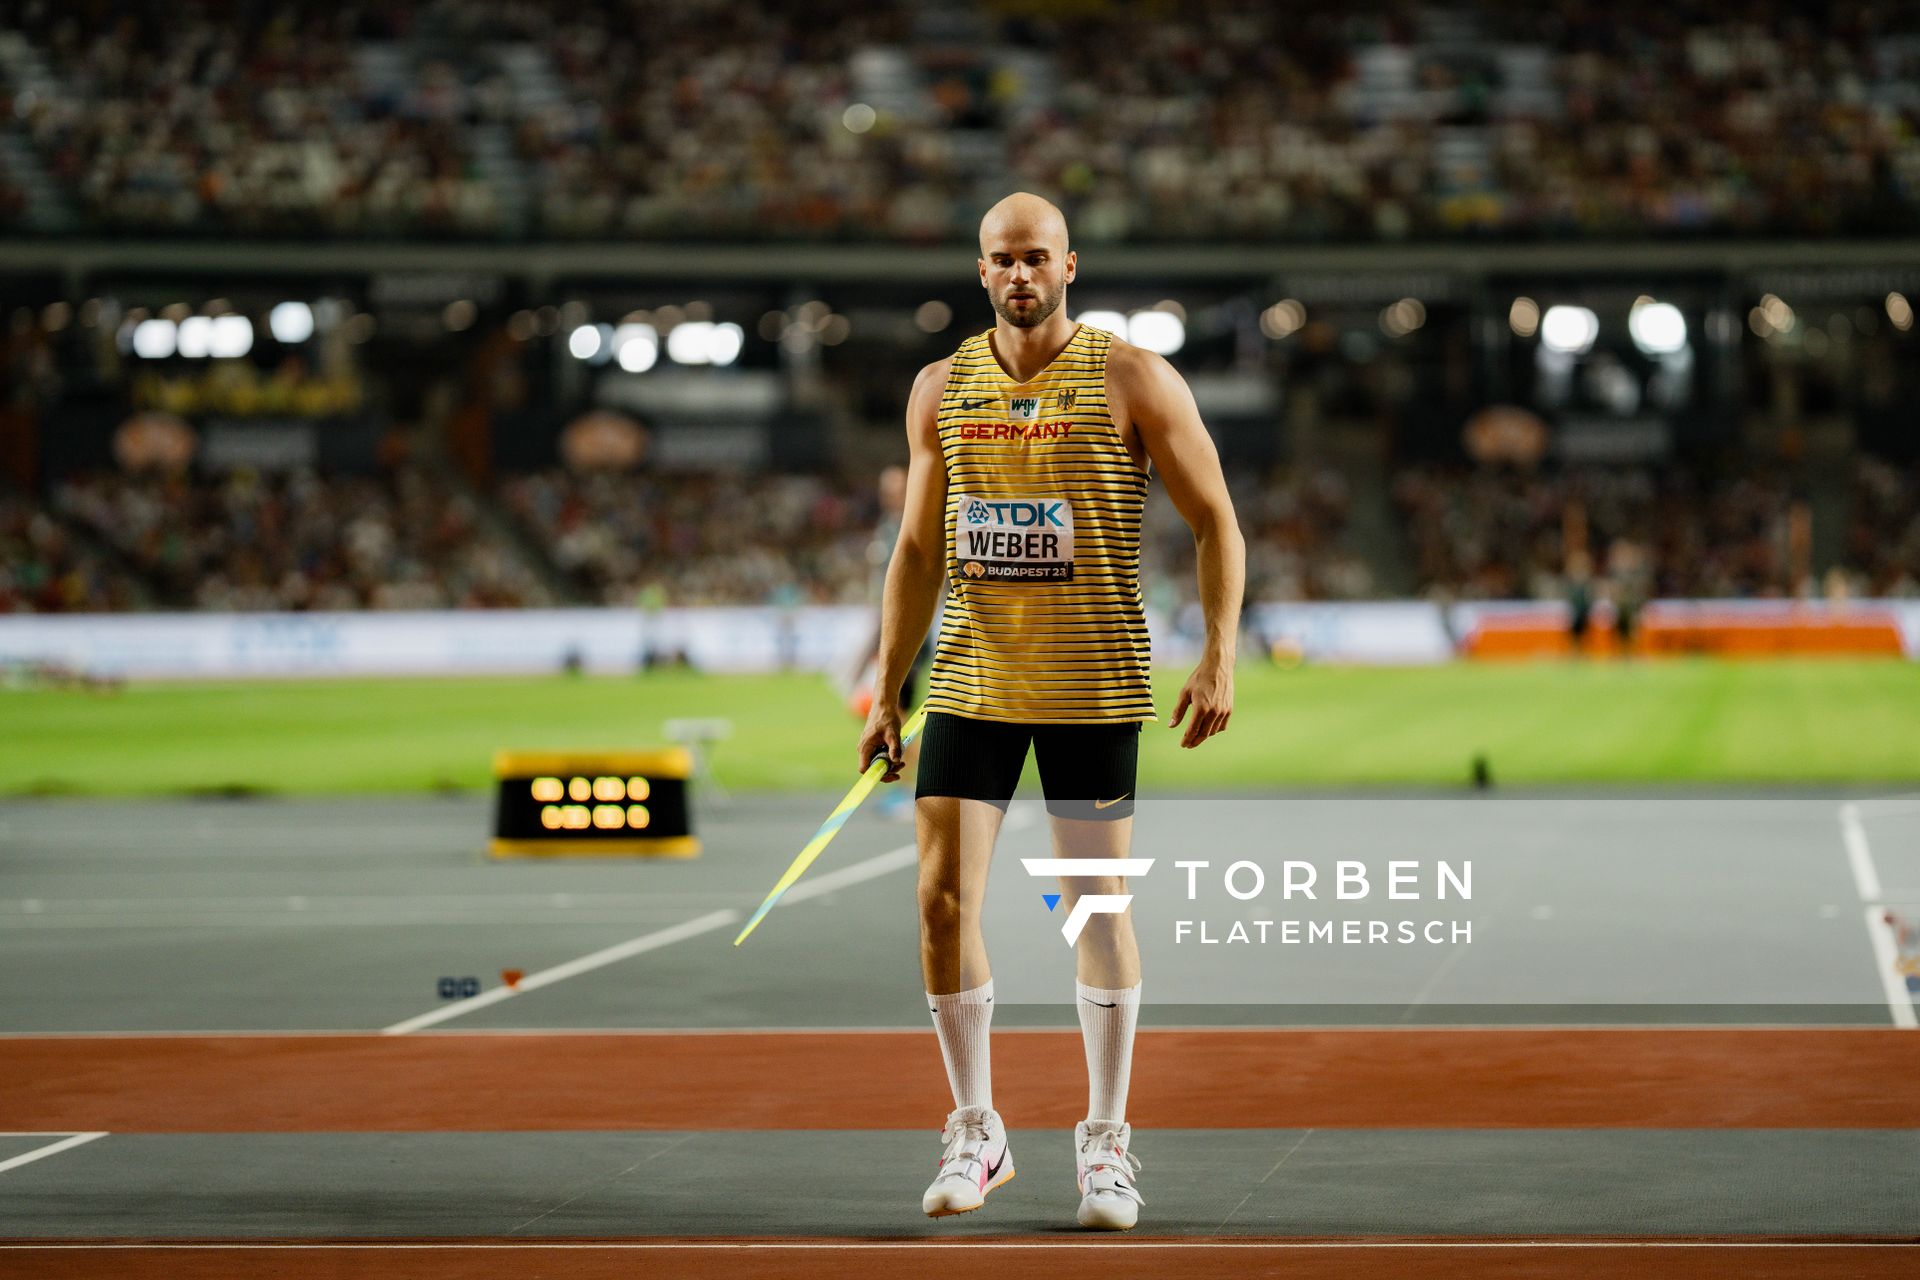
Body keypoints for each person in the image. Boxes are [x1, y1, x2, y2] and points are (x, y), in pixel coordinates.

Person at [857, 192, 1244, 1230]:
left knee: (1091, 910)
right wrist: (889, 683)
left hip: (1091, 685)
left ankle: (1105, 1143)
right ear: (979, 272)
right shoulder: (940, 388)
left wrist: (1217, 649)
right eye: (1001, 259)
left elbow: (1216, 518)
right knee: (942, 901)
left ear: (1068, 264)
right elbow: (916, 550)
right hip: (973, 683)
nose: (1019, 274)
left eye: (1036, 257)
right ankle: (976, 1126)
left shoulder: (1129, 376)